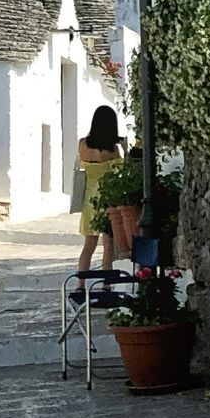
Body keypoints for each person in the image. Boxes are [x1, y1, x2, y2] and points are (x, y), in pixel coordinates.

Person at [73, 104, 125, 286]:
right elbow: (121, 169)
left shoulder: (82, 144)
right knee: (108, 246)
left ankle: (80, 285)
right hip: (107, 199)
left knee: (88, 246)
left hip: (89, 200)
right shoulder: (111, 150)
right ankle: (106, 285)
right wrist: (124, 150)